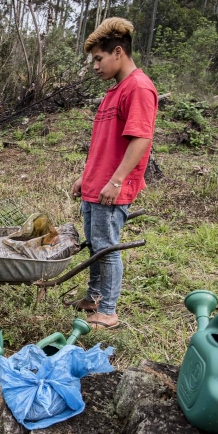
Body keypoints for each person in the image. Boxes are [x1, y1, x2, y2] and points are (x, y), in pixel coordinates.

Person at [69, 17, 158, 330]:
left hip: (112, 188)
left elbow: (141, 139)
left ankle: (107, 311)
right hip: (96, 185)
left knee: (107, 249)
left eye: (98, 59)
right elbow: (103, 145)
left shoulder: (139, 88)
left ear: (118, 52)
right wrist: (86, 176)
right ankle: (94, 298)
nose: (95, 66)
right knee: (96, 246)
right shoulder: (114, 91)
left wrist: (116, 181)